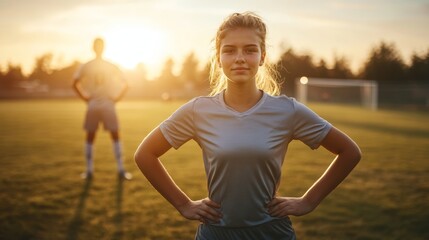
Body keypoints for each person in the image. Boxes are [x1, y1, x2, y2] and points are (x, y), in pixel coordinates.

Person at [134, 12, 361, 239]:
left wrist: (309, 201)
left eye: (250, 50)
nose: (240, 58)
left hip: (272, 232)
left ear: (262, 57)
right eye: (230, 50)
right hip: (216, 233)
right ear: (219, 57)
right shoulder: (198, 111)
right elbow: (145, 154)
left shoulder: (287, 111)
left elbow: (349, 152)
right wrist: (183, 204)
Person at [73, 37, 132, 180]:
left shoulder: (87, 65)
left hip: (93, 104)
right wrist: (116, 98)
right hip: (107, 104)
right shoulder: (110, 65)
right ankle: (120, 169)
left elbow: (74, 83)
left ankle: (89, 171)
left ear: (93, 48)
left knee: (91, 137)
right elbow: (126, 83)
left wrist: (86, 98)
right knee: (115, 136)